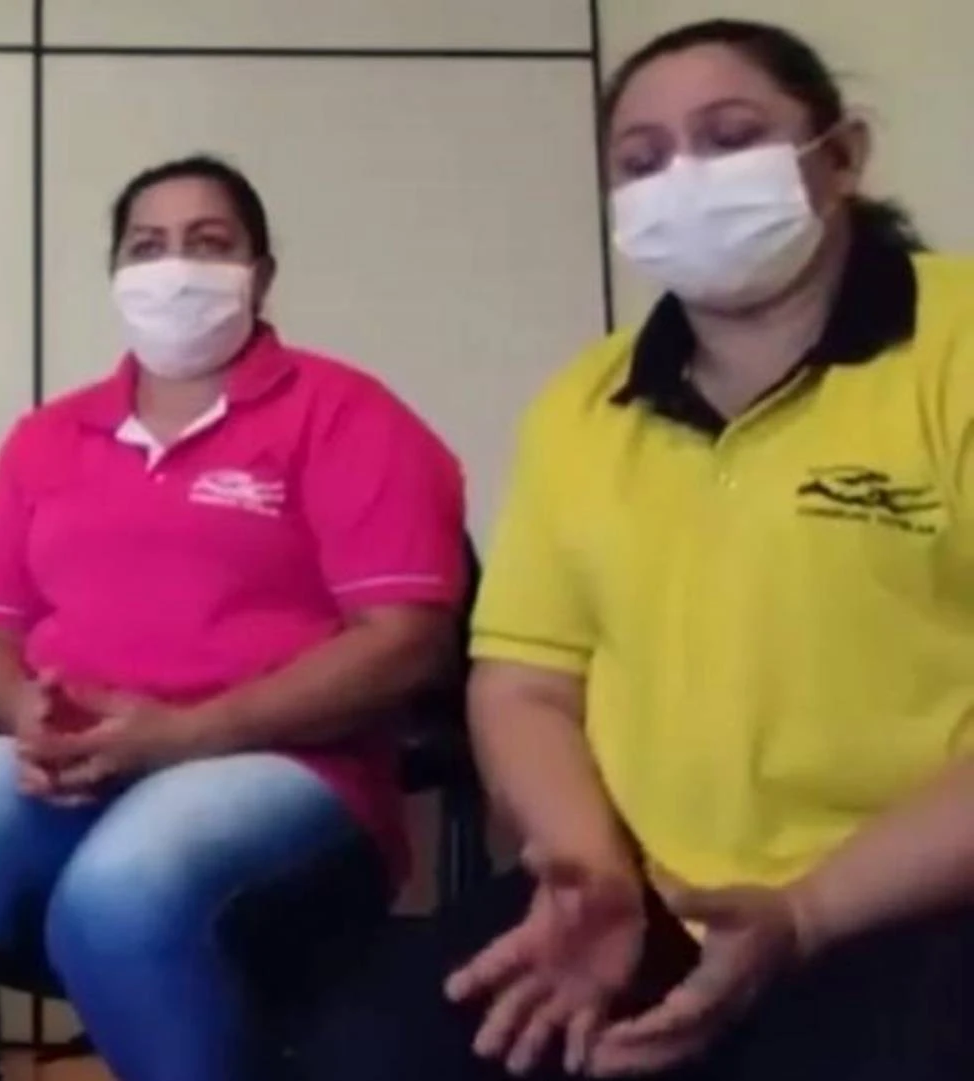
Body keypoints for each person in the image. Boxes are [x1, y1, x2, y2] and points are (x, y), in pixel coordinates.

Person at [300, 18, 974, 1081]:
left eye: (730, 138)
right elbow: (525, 683)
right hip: (647, 895)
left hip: (914, 896)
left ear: (841, 156)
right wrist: (588, 870)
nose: (685, 180)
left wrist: (805, 913)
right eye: (643, 160)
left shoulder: (957, 348)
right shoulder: (585, 403)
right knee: (364, 1051)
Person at [0, 155, 469, 1081]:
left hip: (288, 762)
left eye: (208, 244)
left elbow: (407, 641)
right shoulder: (48, 437)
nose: (175, 269)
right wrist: (23, 712)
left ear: (260, 273)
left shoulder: (346, 415)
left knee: (119, 895)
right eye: (147, 246)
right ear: (116, 273)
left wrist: (182, 734)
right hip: (70, 760)